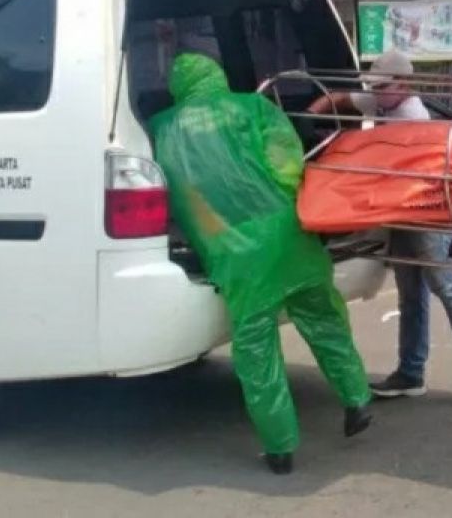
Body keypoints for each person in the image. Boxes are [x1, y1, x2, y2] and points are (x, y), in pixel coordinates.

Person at [151, 54, 373, 475]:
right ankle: (357, 399)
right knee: (325, 320)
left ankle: (280, 447)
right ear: (217, 75)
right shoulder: (254, 107)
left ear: (177, 87)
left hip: (231, 248)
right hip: (287, 233)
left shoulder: (163, 127)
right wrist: (295, 205)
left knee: (256, 349)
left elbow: (178, 194)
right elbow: (288, 165)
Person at [309, 50, 452, 409]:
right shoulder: (381, 101)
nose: (377, 95)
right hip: (400, 209)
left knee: (447, 286)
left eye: (383, 88)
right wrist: (312, 114)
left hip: (427, 210)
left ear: (404, 84)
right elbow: (339, 97)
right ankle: (411, 372)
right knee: (410, 292)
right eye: (375, 88)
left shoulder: (413, 118)